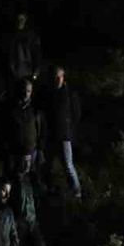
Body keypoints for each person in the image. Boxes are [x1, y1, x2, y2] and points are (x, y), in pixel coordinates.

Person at [4, 78, 51, 246]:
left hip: (31, 154)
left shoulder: (36, 111)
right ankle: (15, 222)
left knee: (31, 185)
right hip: (15, 155)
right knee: (14, 186)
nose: (26, 93)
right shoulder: (11, 110)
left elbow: (42, 133)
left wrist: (39, 152)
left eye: (29, 90)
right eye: (24, 90)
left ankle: (31, 218)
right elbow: (4, 133)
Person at [39, 65, 82, 199]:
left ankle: (76, 192)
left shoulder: (69, 94)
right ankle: (49, 190)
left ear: (63, 78)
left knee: (68, 165)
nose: (57, 80)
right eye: (55, 77)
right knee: (48, 165)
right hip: (51, 135)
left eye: (59, 77)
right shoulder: (49, 94)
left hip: (64, 135)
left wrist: (69, 127)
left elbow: (76, 113)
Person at [5, 12, 42, 84]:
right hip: (14, 74)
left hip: (27, 74)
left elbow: (37, 54)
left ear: (26, 19)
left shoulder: (32, 36)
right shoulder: (11, 36)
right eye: (18, 19)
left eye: (22, 19)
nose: (19, 21)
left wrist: (35, 73)